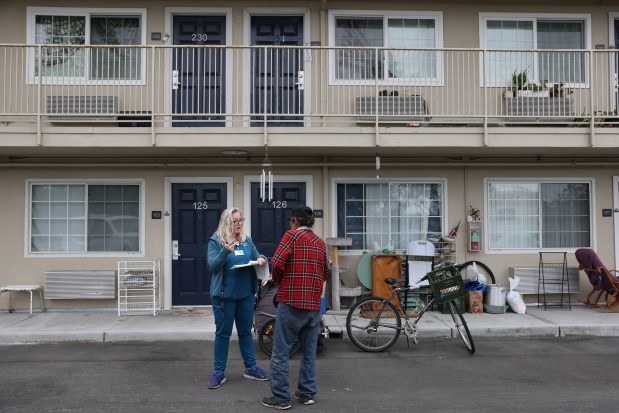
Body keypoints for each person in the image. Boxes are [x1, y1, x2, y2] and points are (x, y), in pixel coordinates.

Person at [262, 206, 329, 409]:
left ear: (294, 221)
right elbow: (325, 272)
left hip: (291, 302)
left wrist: (275, 283)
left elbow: (278, 263)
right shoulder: (320, 243)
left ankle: (281, 398)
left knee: (281, 352)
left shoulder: (291, 237)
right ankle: (306, 393)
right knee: (309, 352)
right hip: (313, 305)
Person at [206, 207, 270, 389]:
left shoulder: (246, 240)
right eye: (236, 221)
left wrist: (262, 259)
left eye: (241, 220)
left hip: (246, 296)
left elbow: (259, 256)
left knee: (245, 332)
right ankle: (219, 372)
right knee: (223, 334)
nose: (240, 224)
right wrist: (225, 251)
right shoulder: (216, 241)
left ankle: (250, 367)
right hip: (224, 297)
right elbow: (212, 266)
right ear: (227, 222)